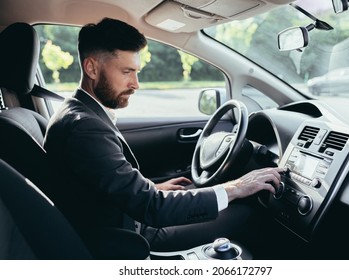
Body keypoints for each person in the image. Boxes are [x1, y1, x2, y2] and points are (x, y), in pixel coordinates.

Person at [43, 17, 284, 254]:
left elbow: (101, 187)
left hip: (124, 219)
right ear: (92, 68)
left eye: (136, 72)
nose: (136, 84)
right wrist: (237, 187)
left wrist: (153, 188)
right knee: (248, 213)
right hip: (130, 236)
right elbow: (152, 208)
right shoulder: (86, 128)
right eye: (127, 71)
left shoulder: (75, 111)